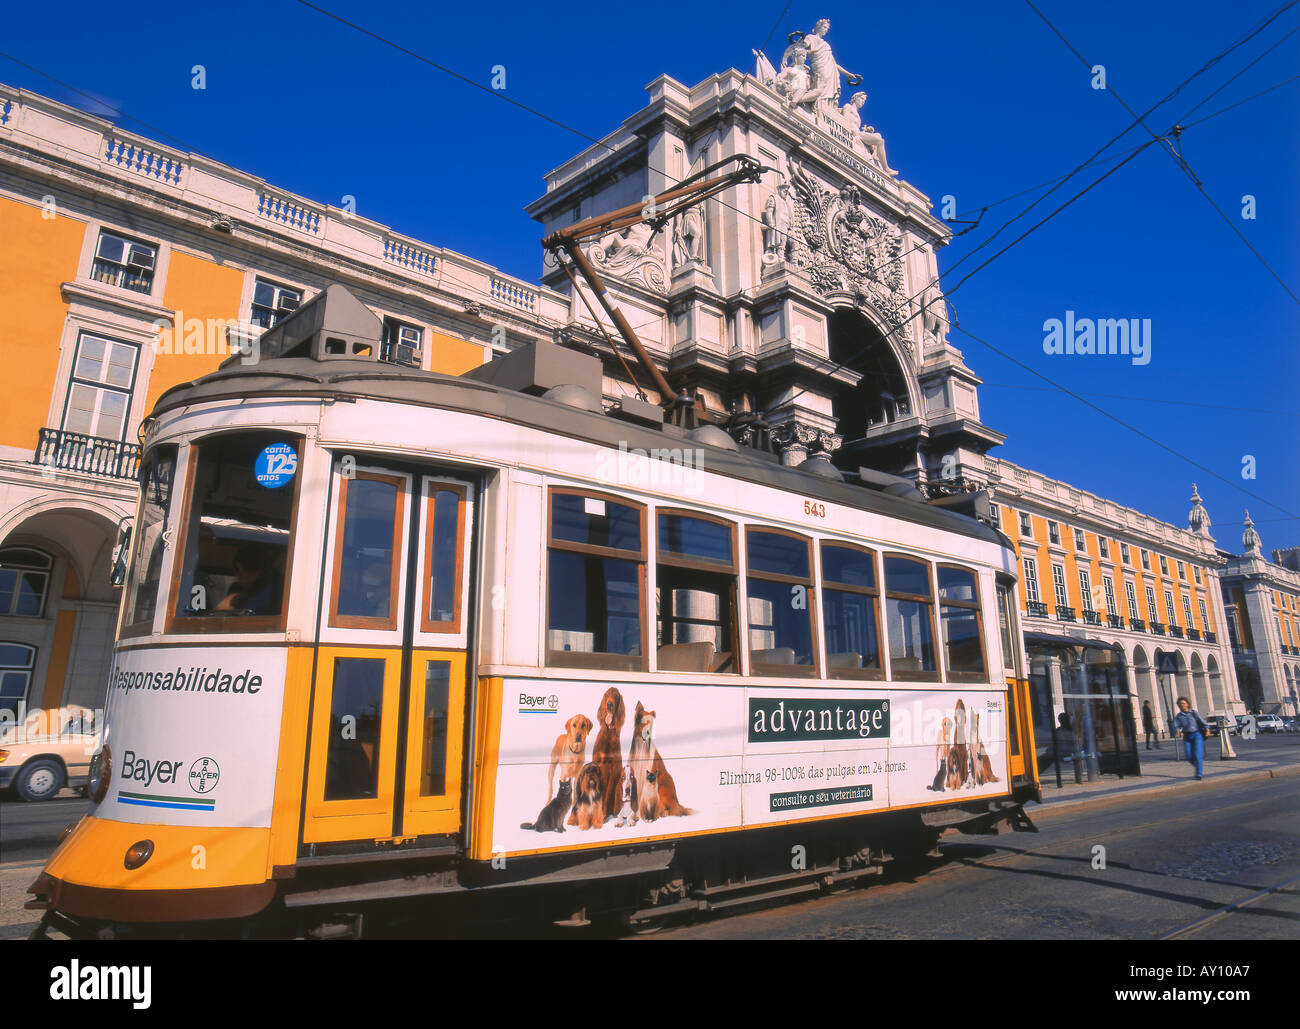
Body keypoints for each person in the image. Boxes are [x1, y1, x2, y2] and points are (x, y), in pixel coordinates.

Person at [215, 544, 280, 615]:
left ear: (259, 571)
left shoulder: (270, 593)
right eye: (237, 569)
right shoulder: (235, 588)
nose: (240, 575)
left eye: (246, 569)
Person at [1172, 696, 1209, 780]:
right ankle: (1198, 767)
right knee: (1188, 756)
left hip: (1197, 735)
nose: (1182, 705)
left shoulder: (1193, 713)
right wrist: (1177, 730)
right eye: (1180, 704)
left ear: (1187, 704)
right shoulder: (1179, 716)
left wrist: (1207, 729)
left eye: (1183, 703)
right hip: (1187, 736)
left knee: (1197, 755)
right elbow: (1176, 725)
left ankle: (1199, 773)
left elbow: (1202, 721)